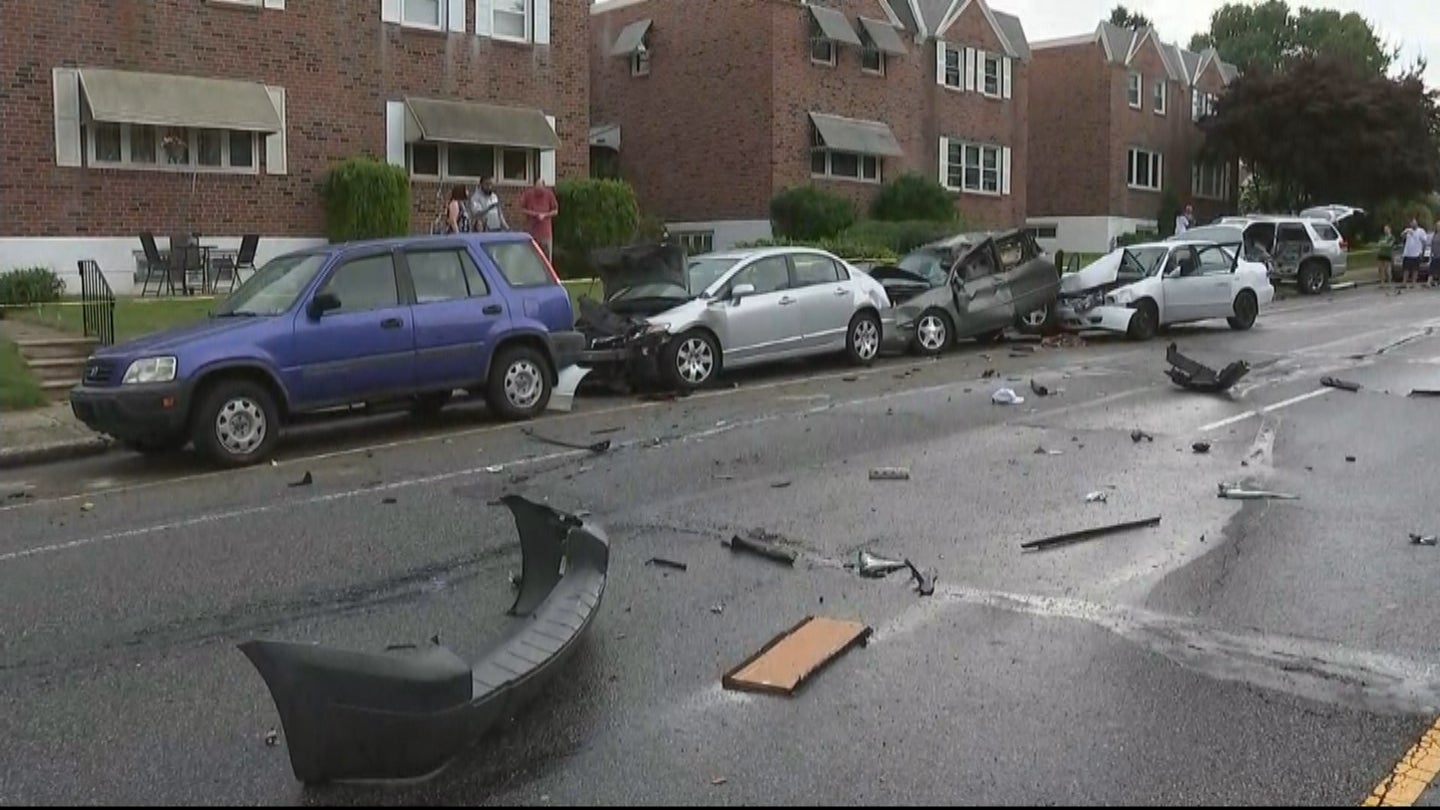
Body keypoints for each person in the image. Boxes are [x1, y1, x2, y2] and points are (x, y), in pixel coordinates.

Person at [519, 178, 559, 258]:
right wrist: (533, 214)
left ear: (544, 187)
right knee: (532, 257)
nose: (538, 192)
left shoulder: (549, 194)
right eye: (536, 189)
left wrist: (545, 215)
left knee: (546, 258)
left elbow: (555, 211)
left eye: (540, 190)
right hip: (532, 232)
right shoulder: (528, 194)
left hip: (545, 234)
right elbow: (521, 209)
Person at [1402, 217, 1428, 289]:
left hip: (1416, 253)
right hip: (1407, 253)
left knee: (1415, 270)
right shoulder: (1408, 230)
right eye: (1412, 223)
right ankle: (1404, 283)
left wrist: (1413, 234)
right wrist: (1405, 233)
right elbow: (1402, 237)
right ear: (1410, 224)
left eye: (1414, 222)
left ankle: (1413, 283)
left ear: (1417, 223)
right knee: (1406, 269)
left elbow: (1424, 240)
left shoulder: (1421, 231)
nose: (1413, 224)